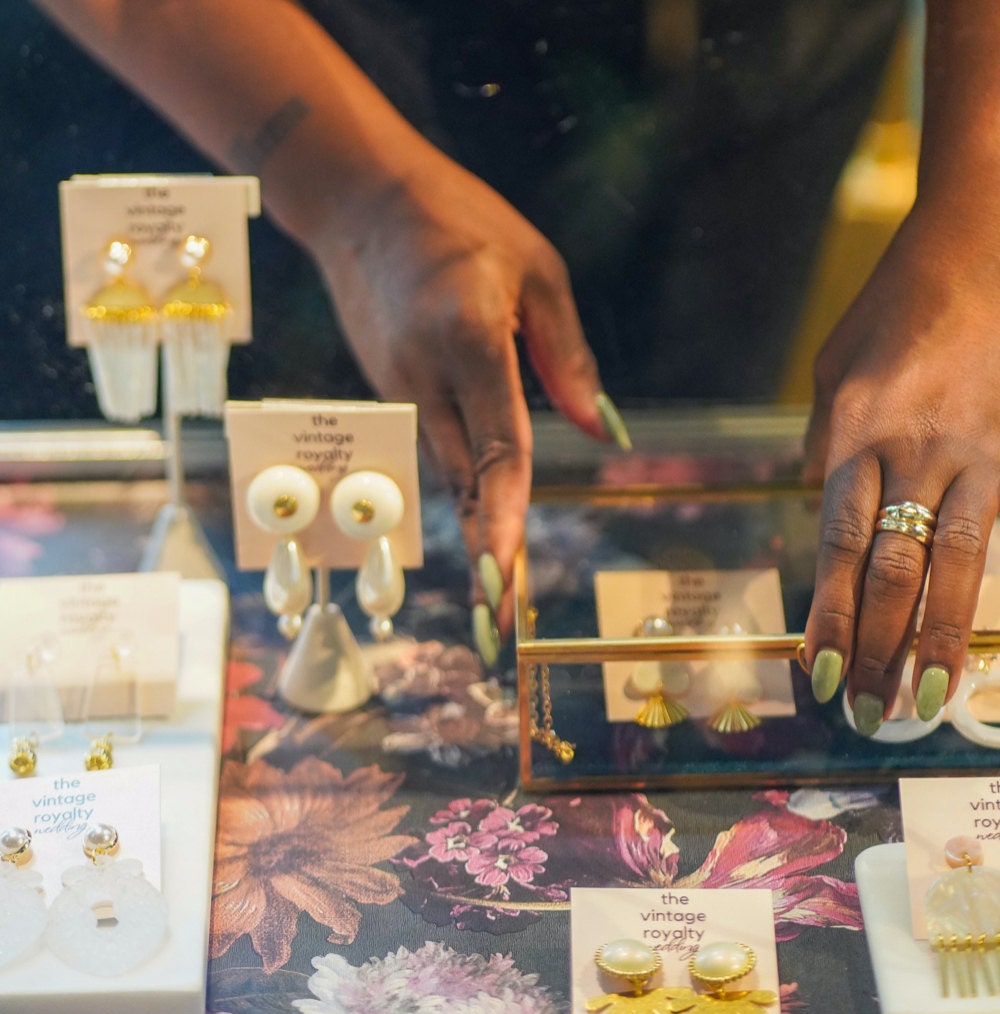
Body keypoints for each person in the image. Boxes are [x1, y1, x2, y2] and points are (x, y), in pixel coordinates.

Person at [33, 0, 1000, 737]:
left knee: (696, 463)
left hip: (763, 59)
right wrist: (351, 192)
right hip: (299, 63)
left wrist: (977, 217)